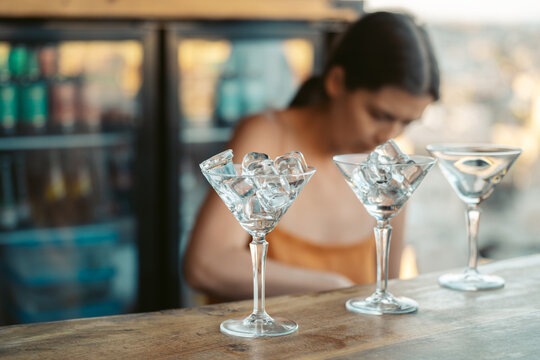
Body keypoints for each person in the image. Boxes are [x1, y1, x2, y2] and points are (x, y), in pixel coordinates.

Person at [184, 11, 440, 301]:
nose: (388, 136)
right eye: (379, 115)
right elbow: (204, 265)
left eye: (407, 122)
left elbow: (386, 291)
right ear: (336, 81)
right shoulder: (267, 135)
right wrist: (332, 285)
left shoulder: (388, 173)